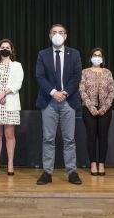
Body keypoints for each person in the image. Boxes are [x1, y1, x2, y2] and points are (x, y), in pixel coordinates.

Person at [35, 24, 83, 185]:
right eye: (54, 32)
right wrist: (53, 92)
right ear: (50, 36)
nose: (57, 35)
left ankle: (72, 172)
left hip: (68, 101)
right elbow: (40, 76)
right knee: (48, 138)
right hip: (49, 101)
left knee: (69, 139)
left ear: (65, 36)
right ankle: (47, 172)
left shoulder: (74, 53)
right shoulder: (43, 54)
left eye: (60, 32)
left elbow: (77, 76)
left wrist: (65, 92)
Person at [0, 39, 24, 176]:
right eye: (2, 47)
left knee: (9, 134)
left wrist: (4, 93)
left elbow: (18, 83)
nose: (5, 49)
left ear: (11, 50)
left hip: (10, 103)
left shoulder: (17, 66)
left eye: (7, 47)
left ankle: (10, 164)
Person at [79, 48, 114, 176]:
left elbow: (112, 91)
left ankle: (101, 165)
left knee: (103, 137)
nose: (97, 57)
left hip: (105, 110)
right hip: (89, 110)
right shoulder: (84, 72)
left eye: (99, 55)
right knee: (91, 137)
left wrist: (104, 108)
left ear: (103, 58)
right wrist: (91, 107)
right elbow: (82, 90)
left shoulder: (107, 72)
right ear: (91, 57)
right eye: (95, 55)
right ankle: (93, 164)